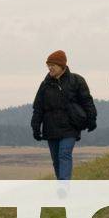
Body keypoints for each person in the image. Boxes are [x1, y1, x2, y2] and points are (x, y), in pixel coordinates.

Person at [31, 50, 98, 180]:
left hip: (70, 127)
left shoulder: (76, 80)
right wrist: (35, 127)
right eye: (48, 65)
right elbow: (38, 107)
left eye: (53, 65)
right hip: (51, 128)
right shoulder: (45, 85)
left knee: (64, 154)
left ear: (62, 66)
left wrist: (92, 118)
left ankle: (64, 185)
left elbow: (87, 101)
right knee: (56, 159)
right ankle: (61, 185)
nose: (50, 68)